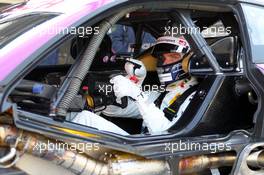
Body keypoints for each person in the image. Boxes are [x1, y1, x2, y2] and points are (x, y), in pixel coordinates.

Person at [72, 36, 198, 135]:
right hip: (143, 149)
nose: (164, 62)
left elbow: (167, 137)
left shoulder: (194, 97)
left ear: (188, 62)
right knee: (77, 117)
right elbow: (114, 112)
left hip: (159, 158)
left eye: (173, 56)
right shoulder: (163, 93)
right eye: (161, 57)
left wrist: (138, 95)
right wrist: (128, 88)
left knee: (84, 120)